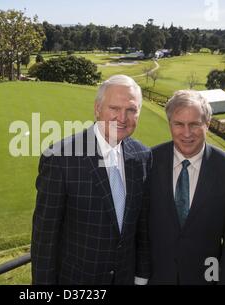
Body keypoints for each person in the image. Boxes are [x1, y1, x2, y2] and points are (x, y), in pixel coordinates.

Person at [31, 75, 151, 285]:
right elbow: (44, 239)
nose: (122, 118)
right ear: (97, 109)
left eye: (131, 110)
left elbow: (141, 226)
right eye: (114, 108)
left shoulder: (143, 155)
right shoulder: (60, 158)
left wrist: (141, 276)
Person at [148, 90, 225, 285]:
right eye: (179, 124)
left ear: (208, 124)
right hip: (155, 278)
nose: (186, 133)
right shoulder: (148, 162)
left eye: (195, 124)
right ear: (170, 124)